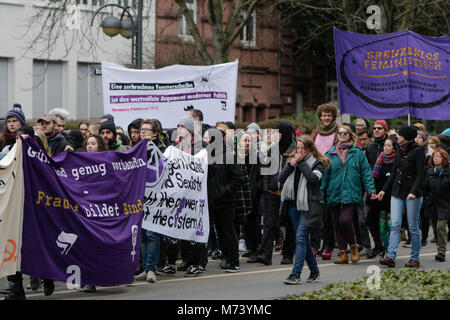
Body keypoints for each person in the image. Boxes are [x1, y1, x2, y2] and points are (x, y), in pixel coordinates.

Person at [321, 125, 377, 265]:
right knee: (336, 224)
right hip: (333, 193)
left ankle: (353, 248)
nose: (342, 134)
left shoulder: (357, 153)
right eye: (339, 132)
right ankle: (342, 253)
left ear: (350, 135)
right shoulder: (330, 154)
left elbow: (366, 173)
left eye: (345, 132)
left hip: (352, 192)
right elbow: (324, 176)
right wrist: (320, 193)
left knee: (345, 221)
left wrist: (371, 190)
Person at [279, 135, 330, 284]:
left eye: (303, 149)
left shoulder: (318, 163)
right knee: (303, 240)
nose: (300, 151)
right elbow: (280, 179)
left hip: (309, 206)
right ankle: (314, 271)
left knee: (300, 238)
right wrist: (290, 165)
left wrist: (300, 163)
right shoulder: (293, 161)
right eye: (298, 149)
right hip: (293, 205)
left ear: (309, 149)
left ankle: (296, 274)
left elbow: (313, 179)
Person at [379, 125, 425, 268]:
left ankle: (415, 258)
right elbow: (394, 173)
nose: (397, 136)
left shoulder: (418, 151)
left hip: (412, 194)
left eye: (399, 134)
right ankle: (391, 256)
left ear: (406, 136)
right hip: (397, 192)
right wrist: (384, 190)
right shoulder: (399, 149)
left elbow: (421, 175)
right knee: (395, 224)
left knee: (413, 227)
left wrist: (413, 191)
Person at [207, 127, 247, 273]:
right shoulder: (208, 156)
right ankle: (226, 257)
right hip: (212, 202)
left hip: (226, 202)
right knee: (219, 233)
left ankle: (234, 262)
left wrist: (226, 191)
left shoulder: (229, 156)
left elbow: (239, 178)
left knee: (228, 232)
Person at [257, 121, 296, 266]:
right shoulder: (272, 150)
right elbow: (265, 173)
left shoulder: (295, 151)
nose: (276, 136)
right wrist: (267, 189)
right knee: (270, 223)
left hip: (289, 194)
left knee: (290, 225)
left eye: (279, 133)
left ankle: (288, 254)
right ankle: (265, 254)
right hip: (272, 193)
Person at [135, 120, 167, 283]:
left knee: (152, 234)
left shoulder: (160, 148)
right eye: (142, 130)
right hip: (141, 197)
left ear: (155, 133)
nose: (143, 132)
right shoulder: (137, 149)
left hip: (154, 198)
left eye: (147, 130)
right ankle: (145, 267)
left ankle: (152, 268)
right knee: (142, 235)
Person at [368, 137, 397, 258]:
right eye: (385, 145)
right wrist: (373, 192)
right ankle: (386, 248)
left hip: (393, 198)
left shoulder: (397, 161)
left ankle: (391, 249)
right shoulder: (380, 159)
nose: (386, 148)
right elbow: (374, 177)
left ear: (394, 148)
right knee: (382, 226)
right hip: (380, 199)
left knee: (392, 226)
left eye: (389, 146)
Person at [236, 130, 262, 263]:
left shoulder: (254, 158)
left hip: (252, 196)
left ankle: (255, 249)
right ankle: (250, 247)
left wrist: (250, 199)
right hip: (240, 196)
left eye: (248, 141)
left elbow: (254, 180)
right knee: (244, 225)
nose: (247, 143)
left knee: (253, 223)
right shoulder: (236, 157)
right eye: (244, 140)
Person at [422, 148, 450, 262]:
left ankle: (442, 251)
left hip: (445, 204)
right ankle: (439, 248)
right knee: (435, 228)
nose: (435, 158)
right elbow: (425, 188)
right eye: (434, 156)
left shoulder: (448, 171)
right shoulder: (429, 171)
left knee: (441, 227)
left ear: (444, 158)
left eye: (438, 156)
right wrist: (426, 199)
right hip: (432, 204)